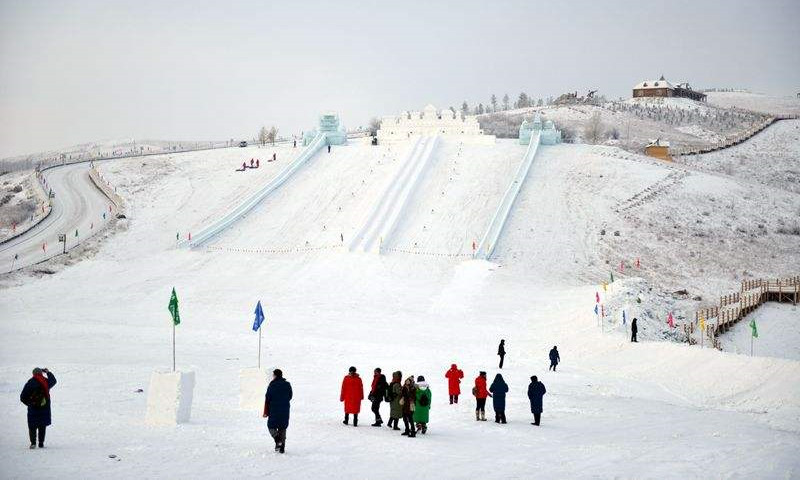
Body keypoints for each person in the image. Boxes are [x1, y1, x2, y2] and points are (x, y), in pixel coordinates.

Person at [20, 367, 57, 449]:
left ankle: (33, 443)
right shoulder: (45, 381)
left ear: (33, 374)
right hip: (44, 408)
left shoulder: (30, 382)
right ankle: (41, 443)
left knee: (32, 425)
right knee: (42, 425)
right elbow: (54, 381)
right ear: (41, 373)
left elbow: (22, 397)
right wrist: (48, 372)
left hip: (33, 409)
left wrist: (29, 404)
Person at [263, 369, 292, 453]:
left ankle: (277, 440)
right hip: (285, 410)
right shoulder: (287, 384)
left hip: (274, 410)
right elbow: (290, 396)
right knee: (282, 427)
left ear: (275, 375)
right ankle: (281, 447)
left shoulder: (272, 386)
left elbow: (267, 398)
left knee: (271, 426)